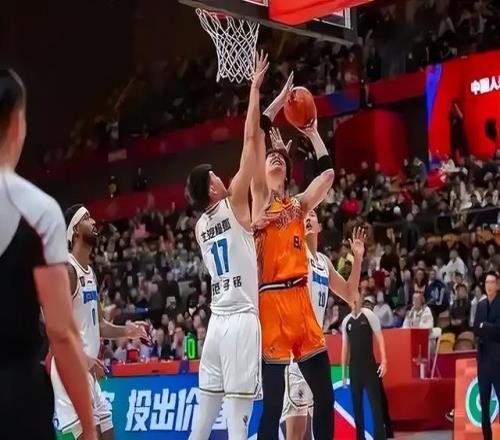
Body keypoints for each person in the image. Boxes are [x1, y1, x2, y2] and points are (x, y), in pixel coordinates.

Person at [0, 69, 97, 440]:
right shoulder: (39, 210)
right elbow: (60, 331)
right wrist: (88, 426)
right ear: (17, 124)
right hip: (16, 393)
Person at [186, 52, 269, 440]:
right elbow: (251, 140)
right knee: (238, 426)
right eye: (216, 177)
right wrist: (254, 90)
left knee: (201, 426)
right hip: (239, 322)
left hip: (215, 326)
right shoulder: (234, 201)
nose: (223, 177)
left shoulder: (200, 226)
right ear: (212, 189)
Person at [251, 73, 336, 440]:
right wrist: (275, 100)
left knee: (325, 395)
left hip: (300, 301)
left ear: (286, 170)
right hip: (271, 302)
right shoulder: (258, 197)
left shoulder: (299, 205)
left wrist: (313, 133)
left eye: (280, 159)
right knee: (272, 406)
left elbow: (328, 174)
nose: (274, 160)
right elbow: (256, 132)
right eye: (270, 158)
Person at [49, 204, 147, 440]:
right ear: (75, 231)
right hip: (70, 367)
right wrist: (83, 360)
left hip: (87, 370)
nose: (93, 222)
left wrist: (129, 331)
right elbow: (53, 325)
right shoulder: (67, 271)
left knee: (108, 433)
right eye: (86, 218)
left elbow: (99, 325)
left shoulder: (90, 273)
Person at [280, 210, 366, 440]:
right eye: (304, 216)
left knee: (323, 413)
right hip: (295, 352)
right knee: (296, 433)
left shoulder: (324, 262)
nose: (308, 218)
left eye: (313, 215)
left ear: (319, 226)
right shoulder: (294, 255)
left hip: (316, 348)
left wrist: (357, 259)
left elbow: (350, 295)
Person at [341, 297, 388, 440]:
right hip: (354, 369)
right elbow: (345, 348)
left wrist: (384, 361)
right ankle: (359, 437)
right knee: (357, 406)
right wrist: (343, 373)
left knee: (375, 405)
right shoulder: (346, 321)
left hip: (369, 367)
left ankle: (380, 437)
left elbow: (380, 338)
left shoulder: (369, 315)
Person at [473, 271, 500, 440]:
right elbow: (476, 329)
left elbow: (499, 331)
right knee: (484, 403)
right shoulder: (481, 305)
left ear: (497, 284)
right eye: (487, 282)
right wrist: (488, 327)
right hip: (483, 361)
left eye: (492, 282)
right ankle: (487, 437)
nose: (489, 285)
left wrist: (486, 327)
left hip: (498, 361)